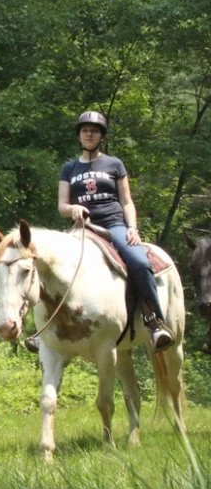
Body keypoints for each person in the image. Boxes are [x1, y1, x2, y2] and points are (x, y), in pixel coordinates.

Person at [57, 110, 173, 350]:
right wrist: (73, 209)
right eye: (85, 130)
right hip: (83, 228)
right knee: (50, 265)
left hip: (113, 225)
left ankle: (155, 323)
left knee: (139, 263)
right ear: (79, 135)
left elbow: (127, 201)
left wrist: (132, 228)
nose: (89, 134)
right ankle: (45, 328)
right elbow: (62, 206)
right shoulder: (69, 168)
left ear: (101, 136)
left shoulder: (114, 164)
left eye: (94, 131)